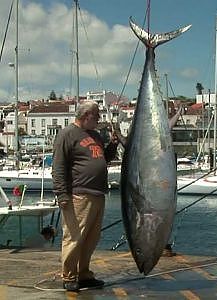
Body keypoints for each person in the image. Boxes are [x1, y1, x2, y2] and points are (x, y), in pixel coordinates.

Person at [52, 101, 119, 291]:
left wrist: (113, 146)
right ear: (86, 114)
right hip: (78, 194)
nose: (98, 118)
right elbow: (58, 167)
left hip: (98, 193)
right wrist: (62, 195)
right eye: (96, 115)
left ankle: (84, 273)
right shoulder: (67, 134)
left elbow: (103, 159)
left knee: (91, 238)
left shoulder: (95, 135)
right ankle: (69, 276)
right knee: (74, 236)